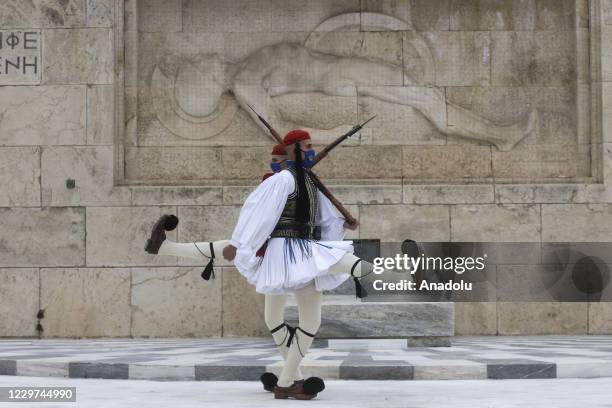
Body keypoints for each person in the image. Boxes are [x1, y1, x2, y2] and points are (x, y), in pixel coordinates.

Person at [222, 129, 374, 400]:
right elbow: (258, 213)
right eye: (308, 146)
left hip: (304, 247)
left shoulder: (309, 182)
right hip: (287, 250)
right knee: (346, 269)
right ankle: (286, 382)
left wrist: (343, 224)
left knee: (309, 320)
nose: (312, 150)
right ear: (294, 149)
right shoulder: (282, 180)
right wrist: (238, 242)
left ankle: (288, 381)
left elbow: (324, 218)